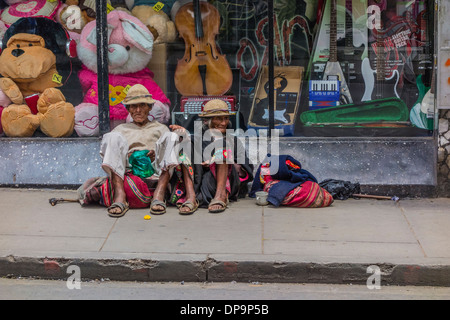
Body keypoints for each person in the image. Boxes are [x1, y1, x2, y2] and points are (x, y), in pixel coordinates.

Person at [98, 84, 196, 217]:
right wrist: (130, 156)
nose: (138, 110)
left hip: (156, 169)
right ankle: (120, 195)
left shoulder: (160, 128)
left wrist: (156, 153)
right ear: (128, 109)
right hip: (129, 169)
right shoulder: (121, 129)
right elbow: (114, 156)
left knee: (171, 136)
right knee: (111, 137)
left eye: (142, 105)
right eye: (133, 106)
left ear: (149, 108)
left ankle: (159, 193)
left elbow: (167, 153)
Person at [193, 99, 254, 213]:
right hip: (205, 180)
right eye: (219, 118)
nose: (224, 123)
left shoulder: (234, 141)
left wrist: (227, 161)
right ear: (207, 121)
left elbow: (246, 165)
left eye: (226, 118)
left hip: (229, 181)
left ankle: (221, 194)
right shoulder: (197, 140)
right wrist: (206, 164)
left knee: (223, 152)